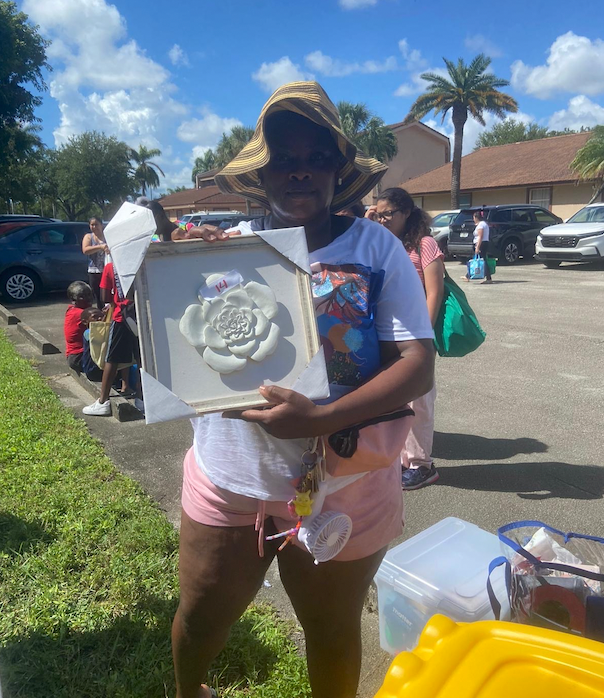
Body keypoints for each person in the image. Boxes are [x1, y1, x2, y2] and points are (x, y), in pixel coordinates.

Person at [170, 81, 435, 698]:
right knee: (202, 618)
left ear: (338, 170)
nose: (300, 173)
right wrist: (169, 274)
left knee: (332, 629)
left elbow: (416, 365)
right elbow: (174, 350)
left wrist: (320, 418)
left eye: (317, 158)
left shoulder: (375, 248)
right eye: (284, 159)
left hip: (347, 488)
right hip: (231, 480)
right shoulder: (224, 249)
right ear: (262, 171)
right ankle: (187, 693)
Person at [371, 188, 445, 490]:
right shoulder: (386, 243)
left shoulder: (424, 244)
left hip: (416, 335)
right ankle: (403, 459)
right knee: (396, 396)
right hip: (389, 334)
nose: (383, 219)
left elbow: (434, 292)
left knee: (419, 401)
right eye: (379, 214)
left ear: (406, 213)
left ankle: (421, 464)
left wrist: (423, 337)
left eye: (388, 213)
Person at [82, 261, 141, 416]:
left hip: (122, 316)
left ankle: (103, 401)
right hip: (142, 314)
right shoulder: (141, 261)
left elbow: (105, 295)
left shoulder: (112, 266)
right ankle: (142, 398)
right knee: (143, 359)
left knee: (112, 359)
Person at [64, 281, 94, 374]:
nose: (89, 299)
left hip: (74, 356)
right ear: (75, 299)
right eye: (83, 296)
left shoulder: (71, 310)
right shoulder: (81, 314)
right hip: (79, 356)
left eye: (89, 295)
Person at [81, 216, 109, 307]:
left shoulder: (108, 236)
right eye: (92, 225)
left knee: (107, 295)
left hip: (107, 270)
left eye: (96, 224)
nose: (94, 227)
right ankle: (101, 314)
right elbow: (85, 250)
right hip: (94, 271)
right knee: (98, 296)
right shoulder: (89, 237)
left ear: (101, 225)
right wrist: (100, 247)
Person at [464, 210, 492, 284]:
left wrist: (477, 247)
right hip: (483, 243)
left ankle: (488, 278)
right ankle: (468, 276)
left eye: (473, 217)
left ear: (476, 217)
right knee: (480, 260)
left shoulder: (481, 225)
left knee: (482, 261)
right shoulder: (483, 224)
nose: (473, 219)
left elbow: (480, 237)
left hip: (481, 244)